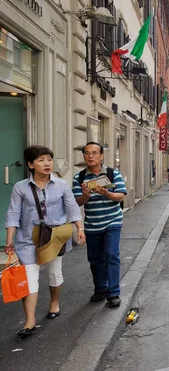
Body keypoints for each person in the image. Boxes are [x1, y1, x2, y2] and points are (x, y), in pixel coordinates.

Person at [4, 146, 85, 337]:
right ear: (31, 164)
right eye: (41, 160)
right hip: (27, 239)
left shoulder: (61, 185)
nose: (47, 163)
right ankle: (30, 321)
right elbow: (13, 213)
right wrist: (9, 240)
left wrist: (79, 229)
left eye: (49, 159)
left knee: (54, 274)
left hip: (54, 236)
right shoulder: (20, 187)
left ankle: (54, 302)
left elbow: (72, 207)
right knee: (30, 279)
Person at [73, 142, 127, 308]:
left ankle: (113, 293)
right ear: (83, 156)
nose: (91, 156)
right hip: (92, 224)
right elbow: (77, 203)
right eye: (87, 153)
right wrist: (85, 195)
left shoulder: (112, 174)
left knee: (111, 255)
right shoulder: (79, 178)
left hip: (112, 221)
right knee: (95, 259)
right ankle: (100, 288)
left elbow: (121, 196)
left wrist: (107, 193)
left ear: (101, 156)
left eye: (94, 153)